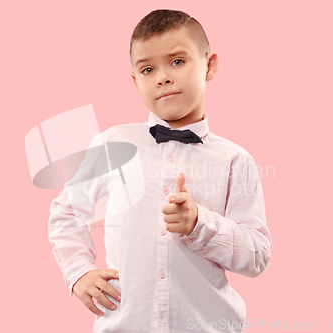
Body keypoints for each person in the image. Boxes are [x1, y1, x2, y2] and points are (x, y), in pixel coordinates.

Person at [48, 9, 272, 333]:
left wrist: (199, 224)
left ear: (209, 65)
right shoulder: (112, 144)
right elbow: (66, 213)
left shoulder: (235, 160)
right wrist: (78, 272)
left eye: (177, 61)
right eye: (148, 68)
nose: (162, 77)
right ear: (135, 80)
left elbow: (257, 255)